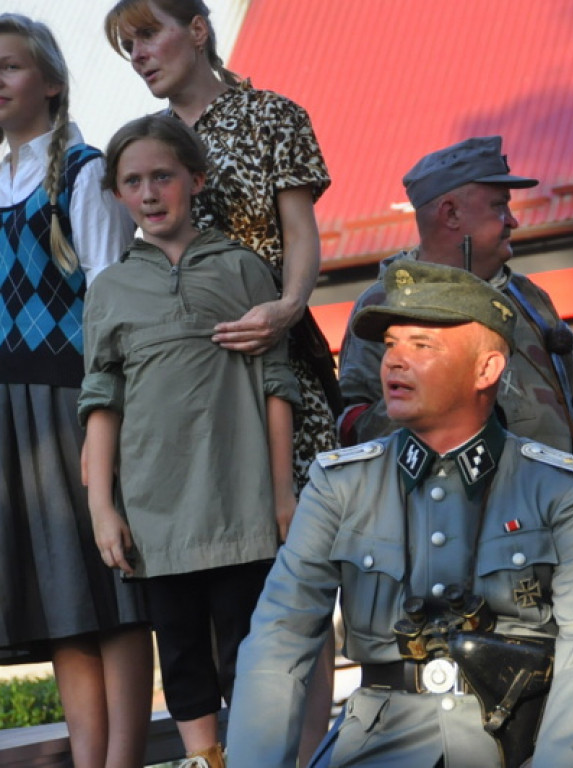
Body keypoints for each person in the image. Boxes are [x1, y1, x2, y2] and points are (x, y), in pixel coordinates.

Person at [226, 259, 573, 768]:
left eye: (422, 346)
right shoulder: (341, 484)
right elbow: (279, 638)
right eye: (391, 345)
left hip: (521, 744)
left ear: (487, 369)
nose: (394, 362)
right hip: (379, 745)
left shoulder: (557, 487)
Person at [104, 2, 338, 757]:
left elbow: (299, 233)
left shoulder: (271, 115)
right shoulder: (144, 148)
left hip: (274, 368)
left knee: (290, 580)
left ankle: (297, 752)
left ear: (198, 29)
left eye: (148, 36)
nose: (138, 55)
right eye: (126, 46)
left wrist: (286, 305)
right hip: (184, 400)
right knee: (193, 603)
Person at [79, 114, 301, 768]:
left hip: (241, 502)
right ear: (118, 195)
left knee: (249, 651)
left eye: (162, 176)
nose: (149, 192)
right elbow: (101, 399)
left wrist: (283, 491)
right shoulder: (111, 290)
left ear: (195, 179)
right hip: (154, 509)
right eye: (132, 181)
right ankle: (206, 761)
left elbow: (276, 380)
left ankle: (261, 759)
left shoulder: (241, 270)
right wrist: (103, 507)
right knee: (177, 653)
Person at [0, 14, 151, 768]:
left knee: (108, 586)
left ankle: (123, 759)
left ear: (52, 82)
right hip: (11, 415)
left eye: (10, 67)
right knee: (61, 596)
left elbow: (107, 305)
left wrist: (104, 421)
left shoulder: (84, 173)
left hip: (74, 401)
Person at [337, 135, 573, 458]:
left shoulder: (530, 298)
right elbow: (354, 429)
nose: (513, 220)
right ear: (451, 213)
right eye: (499, 206)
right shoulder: (384, 307)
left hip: (563, 501)